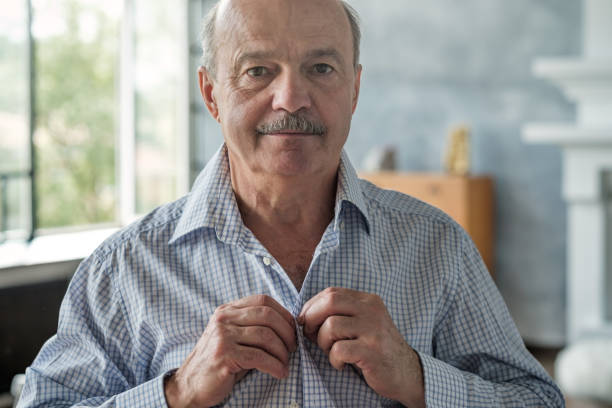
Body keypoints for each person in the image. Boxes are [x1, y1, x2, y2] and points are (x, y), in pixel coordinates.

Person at [18, 0, 564, 407]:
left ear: (353, 90)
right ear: (211, 94)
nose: (291, 98)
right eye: (258, 70)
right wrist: (177, 392)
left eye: (320, 69)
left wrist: (418, 377)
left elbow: (538, 401)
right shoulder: (126, 268)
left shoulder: (436, 246)